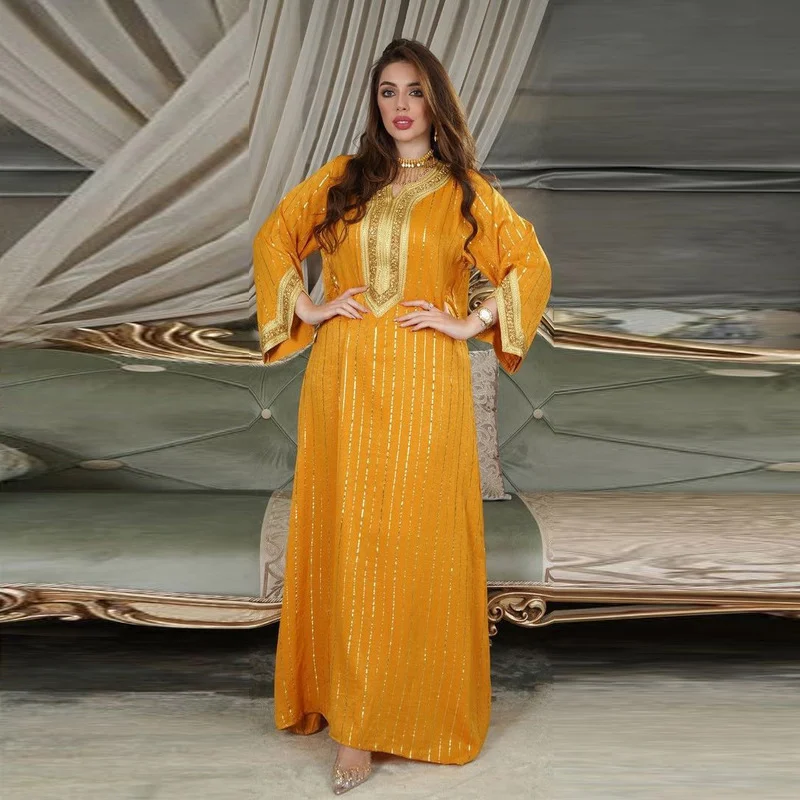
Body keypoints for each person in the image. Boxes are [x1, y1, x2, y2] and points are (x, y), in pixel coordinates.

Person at [253, 38, 551, 795]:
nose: (400, 106)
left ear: (436, 100)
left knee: (417, 542)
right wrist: (309, 308)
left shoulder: (466, 192)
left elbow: (528, 265)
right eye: (388, 91)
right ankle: (354, 727)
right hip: (346, 378)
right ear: (375, 102)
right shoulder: (342, 180)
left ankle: (414, 710)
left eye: (414, 90)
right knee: (352, 537)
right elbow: (274, 239)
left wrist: (471, 319)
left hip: (428, 383)